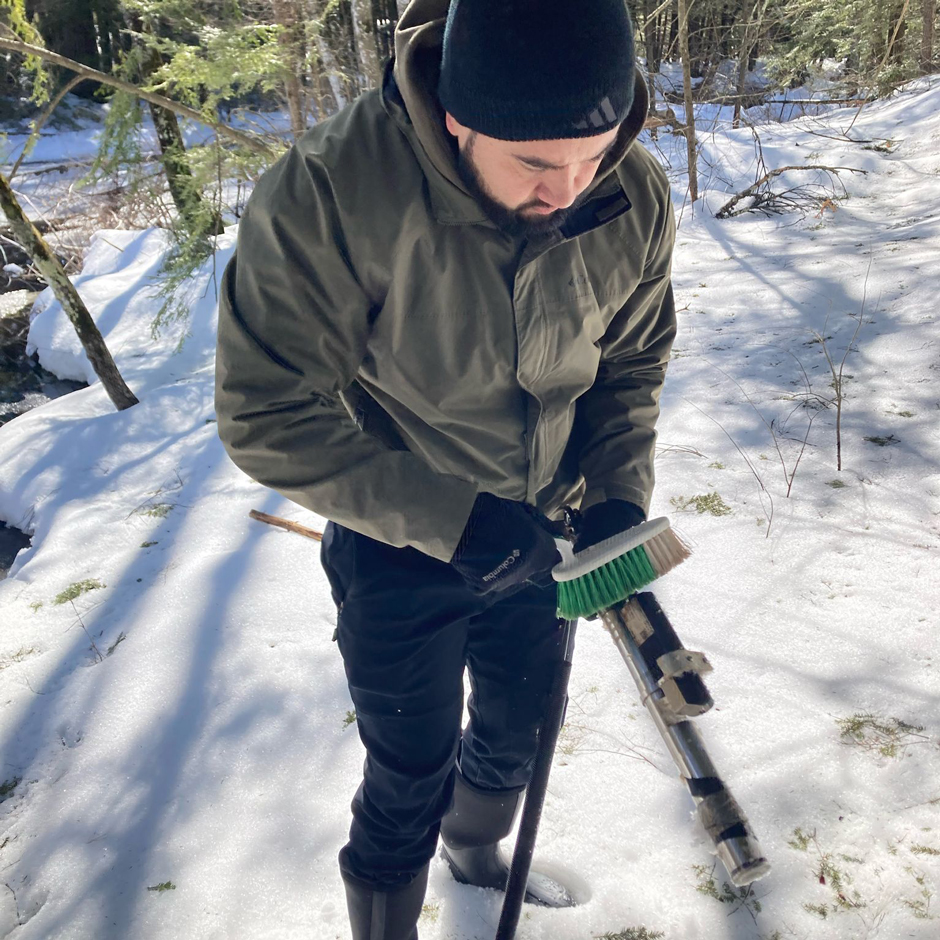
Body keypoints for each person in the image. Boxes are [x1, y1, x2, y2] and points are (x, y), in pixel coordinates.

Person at [215, 0, 677, 936]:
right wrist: (455, 523)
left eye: (594, 155)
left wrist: (619, 491)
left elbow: (632, 359)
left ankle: (477, 856)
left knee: (519, 731)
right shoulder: (333, 196)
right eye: (539, 165)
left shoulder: (628, 191)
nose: (571, 188)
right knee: (409, 765)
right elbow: (266, 412)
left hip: (546, 531)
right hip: (397, 531)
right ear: (459, 120)